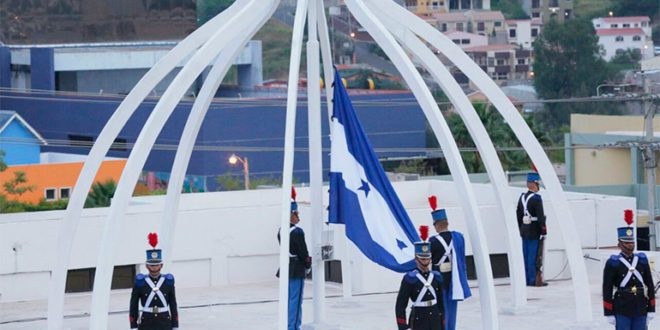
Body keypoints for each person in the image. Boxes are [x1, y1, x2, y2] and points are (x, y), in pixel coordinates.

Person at [427, 196, 471, 330]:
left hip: (439, 277)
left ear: (437, 224)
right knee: (452, 309)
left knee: (441, 308)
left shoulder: (432, 241)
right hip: (454, 277)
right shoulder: (458, 237)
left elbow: (428, 260)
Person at [603, 226, 655, 329]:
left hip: (640, 306)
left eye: (632, 242)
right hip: (622, 307)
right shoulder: (613, 263)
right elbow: (607, 288)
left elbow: (650, 284)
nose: (630, 245)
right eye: (626, 243)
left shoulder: (642, 260)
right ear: (619, 244)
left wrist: (651, 309)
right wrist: (608, 312)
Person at [395, 225, 445, 330]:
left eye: (427, 259)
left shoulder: (436, 277)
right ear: (416, 259)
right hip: (419, 320)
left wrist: (443, 322)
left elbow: (441, 302)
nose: (426, 262)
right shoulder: (410, 279)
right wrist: (403, 327)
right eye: (423, 259)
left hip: (435, 319)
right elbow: (400, 305)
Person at [277, 187, 311, 330]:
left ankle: (288, 325)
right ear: (290, 214)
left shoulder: (281, 230)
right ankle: (293, 327)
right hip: (296, 268)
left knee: (288, 299)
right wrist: (308, 265)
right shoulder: (297, 232)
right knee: (295, 301)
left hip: (286, 267)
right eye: (296, 213)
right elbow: (303, 253)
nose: (298, 217)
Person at [129, 233, 179, 330]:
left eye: (157, 265)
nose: (154, 267)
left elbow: (173, 304)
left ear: (161, 265)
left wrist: (175, 325)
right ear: (147, 266)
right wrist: (134, 326)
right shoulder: (140, 282)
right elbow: (133, 305)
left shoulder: (168, 281)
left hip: (164, 322)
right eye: (151, 265)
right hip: (147, 322)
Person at [516, 172, 547, 286]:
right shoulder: (537, 199)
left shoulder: (522, 197)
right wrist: (543, 231)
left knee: (525, 255)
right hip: (534, 230)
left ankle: (525, 279)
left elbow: (518, 215)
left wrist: (521, 229)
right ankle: (532, 280)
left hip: (524, 229)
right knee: (533, 256)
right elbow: (540, 216)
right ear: (534, 184)